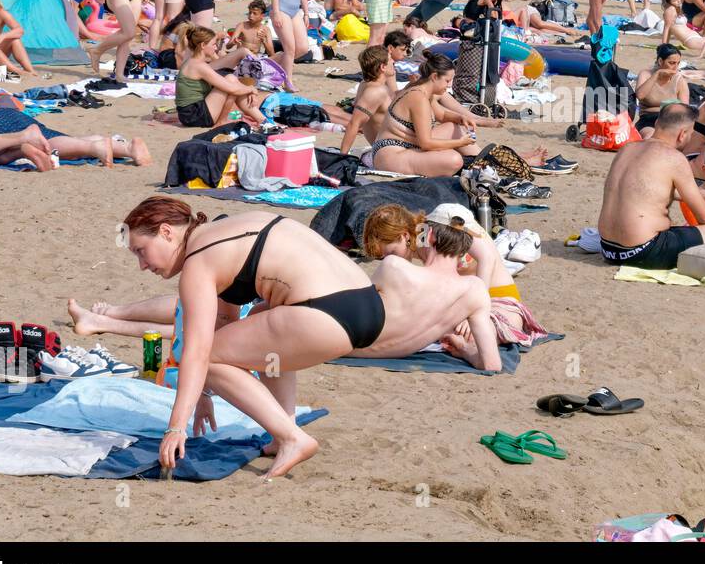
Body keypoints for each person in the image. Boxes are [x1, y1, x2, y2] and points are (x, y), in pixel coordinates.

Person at [120, 197, 499, 477]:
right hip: (365, 310)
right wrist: (201, 397)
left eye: (141, 250)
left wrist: (175, 427)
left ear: (167, 232)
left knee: (212, 357)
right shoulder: (225, 230)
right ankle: (281, 431)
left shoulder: (199, 261)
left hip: (325, 313)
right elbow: (226, 322)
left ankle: (291, 437)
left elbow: (200, 352)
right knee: (262, 329)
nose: (142, 264)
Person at [361, 204, 545, 351]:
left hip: (495, 297)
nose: (390, 259)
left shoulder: (443, 223)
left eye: (391, 252)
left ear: (404, 235)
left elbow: (487, 256)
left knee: (473, 335)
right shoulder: (422, 239)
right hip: (465, 300)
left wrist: (476, 309)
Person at [598, 104, 705, 269]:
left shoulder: (627, 148)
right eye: (690, 134)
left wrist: (701, 193)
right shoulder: (674, 158)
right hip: (643, 252)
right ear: (682, 135)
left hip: (609, 249)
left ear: (657, 123)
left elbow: (643, 190)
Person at [0, 98, 150, 167]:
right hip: (1, 116)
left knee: (52, 142)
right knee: (58, 139)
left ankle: (96, 146)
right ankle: (124, 147)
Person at [371, 53, 478, 176]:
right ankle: (480, 164)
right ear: (434, 77)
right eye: (447, 81)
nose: (449, 85)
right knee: (454, 160)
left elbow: (441, 115)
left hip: (407, 145)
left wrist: (461, 117)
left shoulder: (422, 89)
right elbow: (426, 143)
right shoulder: (418, 98)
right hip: (390, 155)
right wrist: (460, 143)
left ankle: (482, 161)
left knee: (453, 127)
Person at [175, 26, 265, 128]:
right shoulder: (199, 66)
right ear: (203, 45)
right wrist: (251, 89)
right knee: (231, 80)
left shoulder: (193, 61)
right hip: (195, 116)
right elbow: (232, 89)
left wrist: (247, 89)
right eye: (213, 44)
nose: (216, 48)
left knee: (232, 80)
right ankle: (225, 121)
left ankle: (261, 119)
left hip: (189, 114)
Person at [339, 46, 394, 156]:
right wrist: (342, 157)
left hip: (389, 145)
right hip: (389, 151)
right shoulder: (375, 91)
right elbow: (354, 124)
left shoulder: (365, 84)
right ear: (383, 67)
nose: (393, 61)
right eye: (390, 59)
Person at [633, 43, 691, 136]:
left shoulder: (679, 80)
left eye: (678, 63)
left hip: (670, 119)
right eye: (671, 63)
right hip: (648, 119)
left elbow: (685, 108)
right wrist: (657, 74)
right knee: (651, 137)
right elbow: (640, 95)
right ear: (660, 61)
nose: (675, 67)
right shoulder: (646, 74)